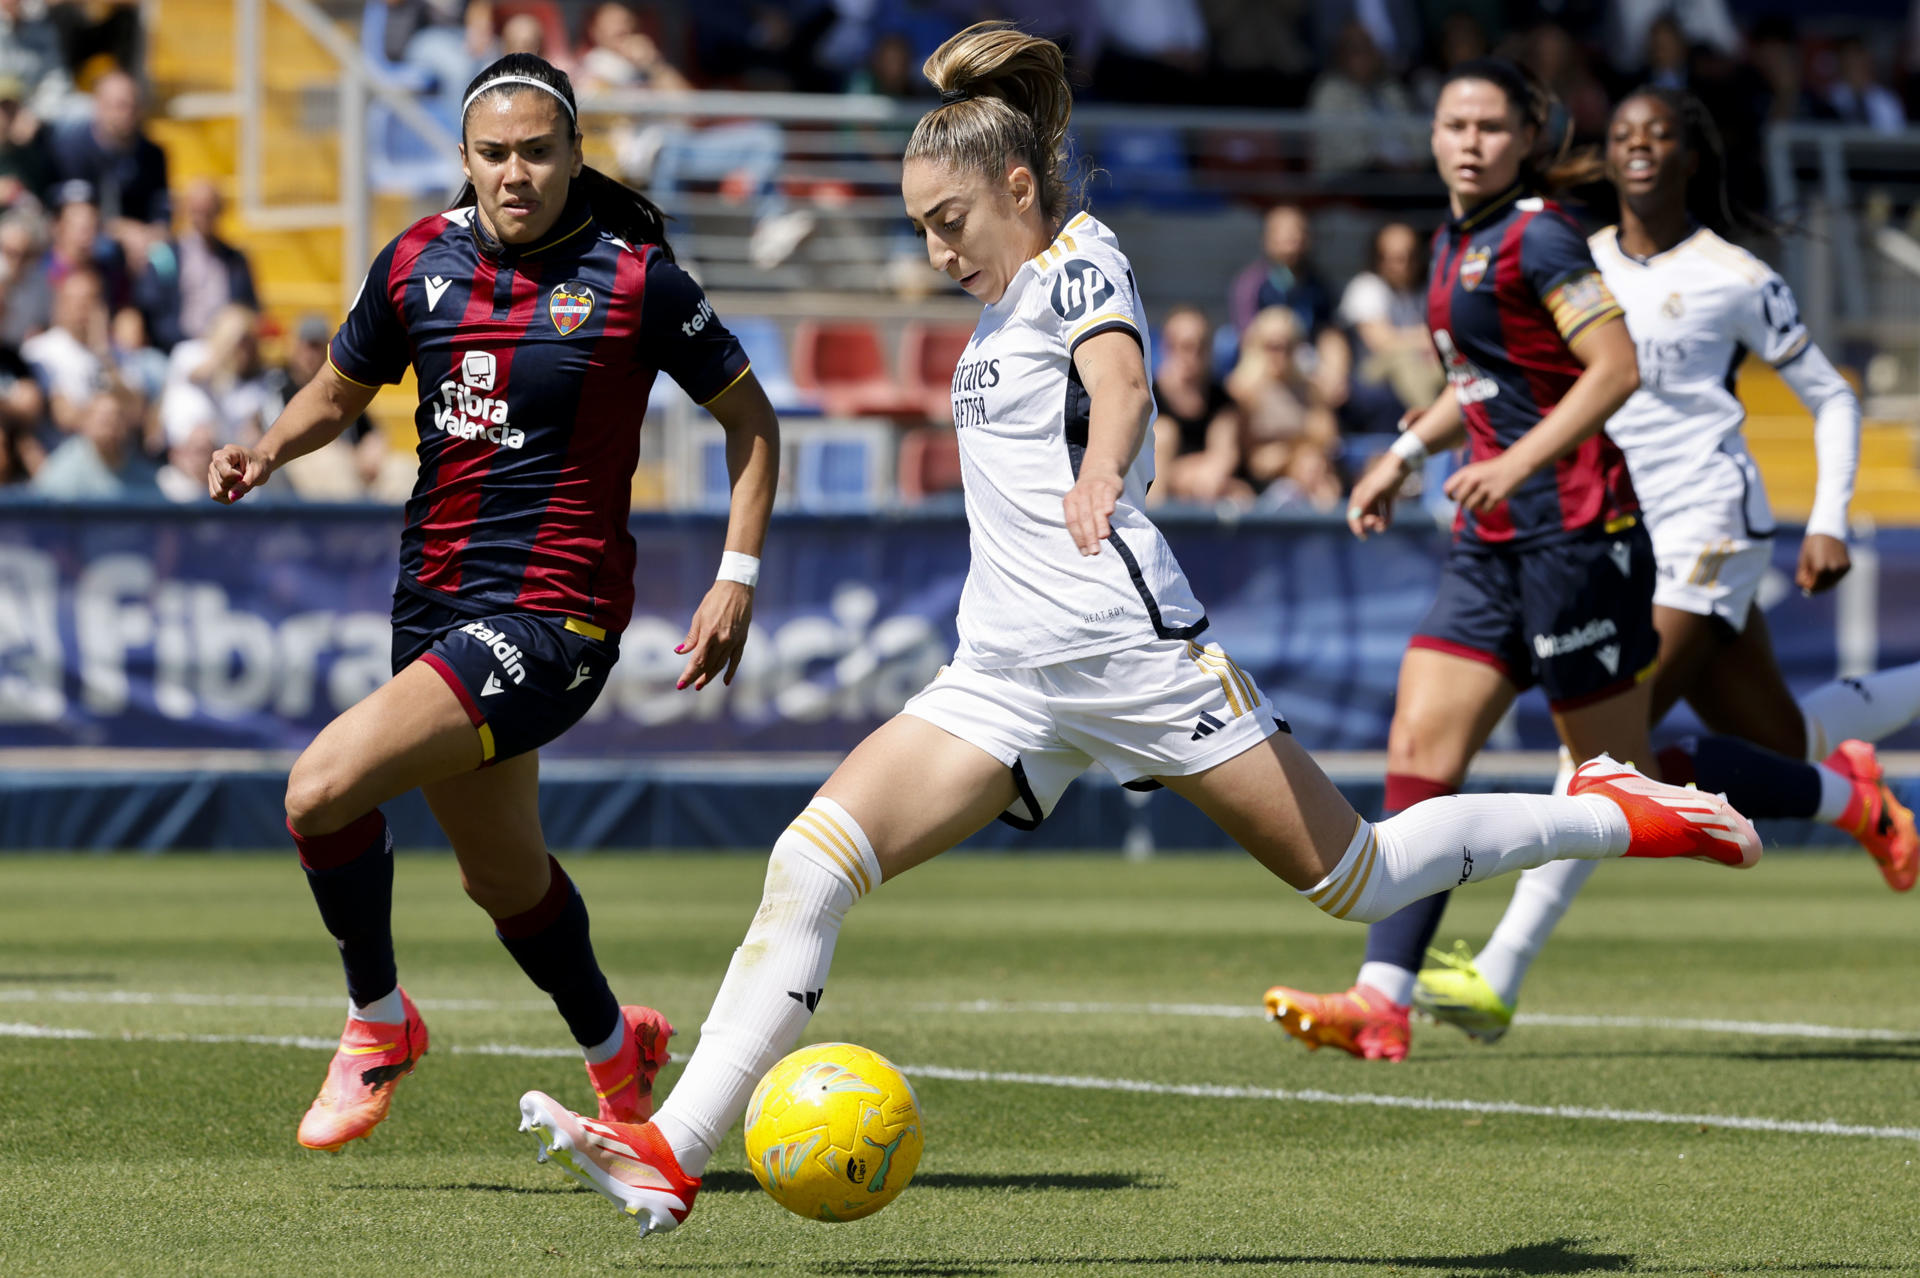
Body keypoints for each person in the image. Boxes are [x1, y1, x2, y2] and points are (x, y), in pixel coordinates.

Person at [508, 25, 1760, 1238]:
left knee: (1356, 876)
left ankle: (1611, 804)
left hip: (1128, 650)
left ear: (1015, 185)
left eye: (949, 223)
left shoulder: (1082, 259)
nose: (937, 251)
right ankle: (675, 1154)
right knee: (810, 863)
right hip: (999, 673)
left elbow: (1120, 380)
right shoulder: (998, 306)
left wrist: (1106, 467)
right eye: (919, 231)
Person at [205, 52, 782, 1153]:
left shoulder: (635, 279)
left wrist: (735, 575)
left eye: (536, 152)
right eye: (493, 154)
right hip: (432, 607)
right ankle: (620, 1049)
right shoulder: (418, 259)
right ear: (464, 160)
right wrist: (266, 451)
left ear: (573, 156)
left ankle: (378, 1023)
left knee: (319, 790)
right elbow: (339, 390)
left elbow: (753, 423)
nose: (515, 173)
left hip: (552, 621)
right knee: (504, 878)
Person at [1410, 89, 1920, 1044]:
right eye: (1626, 137)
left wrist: (1829, 516)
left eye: (1661, 137)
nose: (1640, 149)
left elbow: (1832, 397)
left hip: (1710, 526)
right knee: (1787, 741)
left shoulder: (1733, 274)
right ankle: (1858, 797)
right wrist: (1406, 454)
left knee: (1603, 757)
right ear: (1609, 156)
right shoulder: (1575, 256)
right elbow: (1495, 374)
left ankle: (1497, 975)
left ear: (1692, 155)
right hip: (1614, 526)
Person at [1261, 58, 1664, 1064]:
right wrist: (1403, 455)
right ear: (1433, 137)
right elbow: (1481, 383)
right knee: (1420, 749)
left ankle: (1819, 793)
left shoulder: (1542, 235)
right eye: (1454, 124)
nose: (1471, 140)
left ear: (1525, 139)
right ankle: (1382, 1000)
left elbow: (1615, 367)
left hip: (1576, 534)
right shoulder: (1455, 243)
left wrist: (1517, 462)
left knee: (1622, 779)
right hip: (1489, 546)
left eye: (1490, 125)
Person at [1227, 304, 1342, 508]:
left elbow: (1327, 437)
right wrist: (1297, 447)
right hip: (1260, 483)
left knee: (1323, 480)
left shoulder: (1309, 388)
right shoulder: (1242, 390)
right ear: (1257, 345)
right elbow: (1252, 457)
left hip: (1308, 471)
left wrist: (1290, 452)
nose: (1281, 354)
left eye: (1288, 346)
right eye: (1273, 346)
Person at [1338, 220, 1442, 415]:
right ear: (1379, 258)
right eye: (1396, 258)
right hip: (1371, 371)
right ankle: (1430, 423)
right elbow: (1383, 343)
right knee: (1403, 360)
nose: (1405, 265)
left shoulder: (1426, 286)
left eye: (1411, 256)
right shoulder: (1366, 286)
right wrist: (1426, 337)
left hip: (1425, 364)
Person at [1149, 302, 1246, 505]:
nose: (1193, 356)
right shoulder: (1148, 398)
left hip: (1209, 491)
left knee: (1240, 494)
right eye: (1186, 346)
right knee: (1165, 433)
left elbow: (1223, 458)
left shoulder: (1221, 401)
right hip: (1155, 498)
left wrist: (1179, 473)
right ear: (1166, 347)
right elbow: (1149, 471)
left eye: (1201, 347)